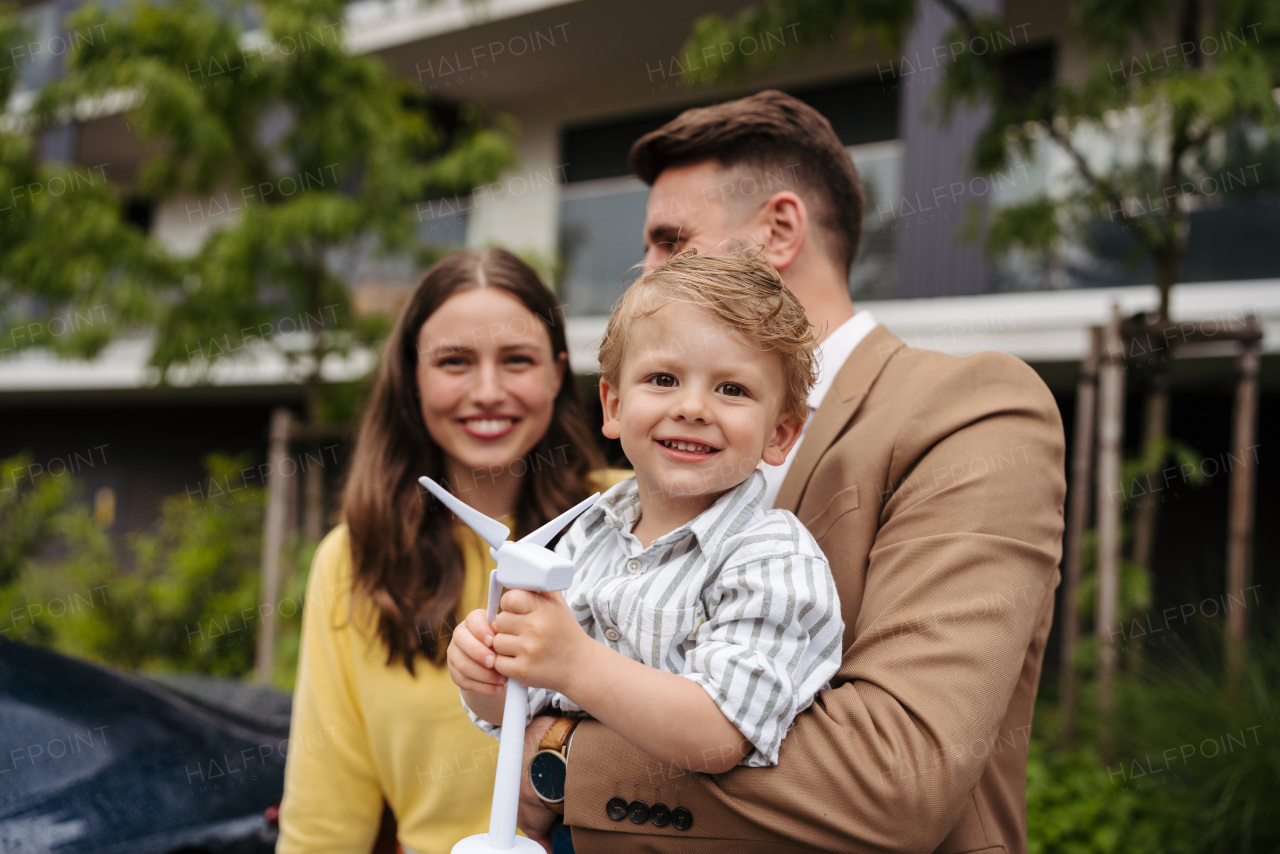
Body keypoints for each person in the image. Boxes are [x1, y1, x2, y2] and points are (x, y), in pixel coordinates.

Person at [517, 91, 1067, 854]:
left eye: (672, 241)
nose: (644, 271)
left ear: (778, 231)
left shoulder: (968, 410)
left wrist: (556, 758)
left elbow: (891, 777)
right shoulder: (646, 480)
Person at [447, 252, 843, 787]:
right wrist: (490, 677)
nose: (693, 407)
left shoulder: (772, 556)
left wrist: (573, 663)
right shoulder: (587, 534)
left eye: (732, 389)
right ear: (612, 406)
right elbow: (526, 704)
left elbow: (721, 732)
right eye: (662, 378)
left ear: (780, 435)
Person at [276, 248, 619, 854]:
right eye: (455, 362)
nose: (487, 392)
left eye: (517, 360)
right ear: (412, 377)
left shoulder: (637, 517)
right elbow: (325, 824)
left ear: (557, 373)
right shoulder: (355, 560)